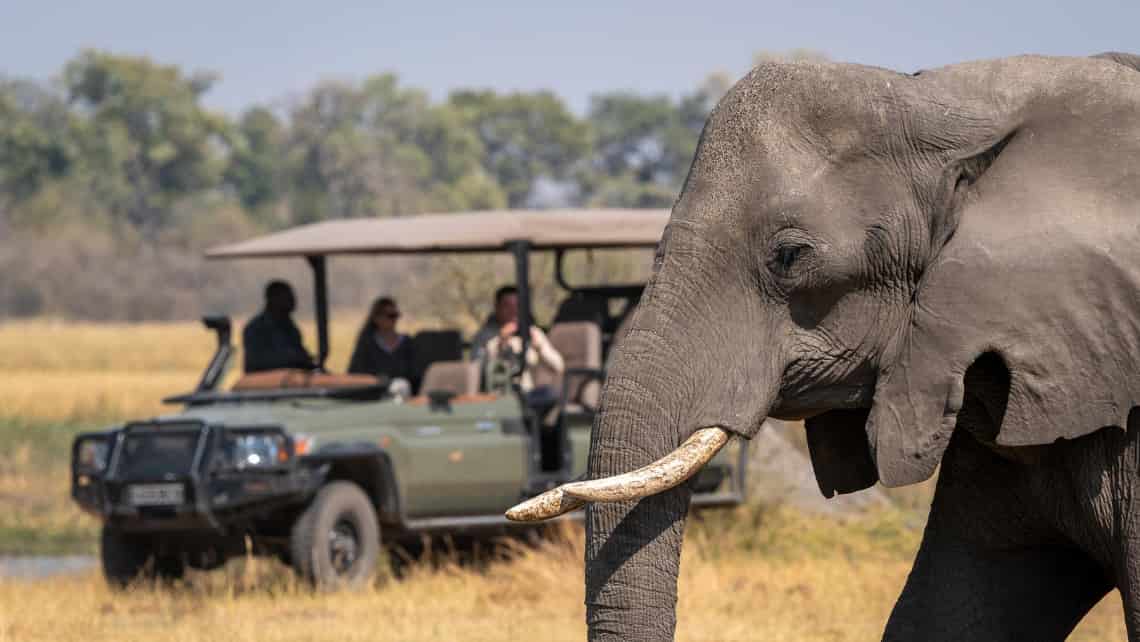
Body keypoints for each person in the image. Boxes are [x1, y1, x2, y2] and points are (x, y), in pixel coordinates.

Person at [477, 285, 564, 396]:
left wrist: (540, 347)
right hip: (497, 395)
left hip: (529, 394)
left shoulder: (534, 333)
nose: (513, 311)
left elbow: (559, 366)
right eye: (507, 306)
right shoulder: (485, 336)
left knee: (549, 394)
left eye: (517, 306)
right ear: (497, 308)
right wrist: (500, 342)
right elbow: (478, 369)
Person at [242, 280, 317, 373]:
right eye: (287, 297)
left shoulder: (290, 328)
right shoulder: (256, 328)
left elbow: (300, 355)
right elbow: (256, 362)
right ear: (273, 299)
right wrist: (293, 358)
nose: (293, 301)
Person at [347, 297, 416, 388]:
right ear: (376, 318)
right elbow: (354, 373)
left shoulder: (407, 342)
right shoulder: (367, 343)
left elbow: (415, 374)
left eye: (395, 315)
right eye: (389, 316)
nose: (393, 319)